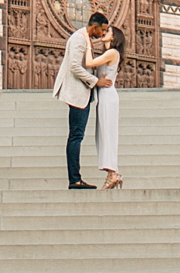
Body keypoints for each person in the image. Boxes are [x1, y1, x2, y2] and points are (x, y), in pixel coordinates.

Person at [52, 11, 109, 189]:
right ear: (94, 27)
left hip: (83, 94)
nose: (103, 34)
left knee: (77, 135)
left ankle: (75, 178)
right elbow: (75, 66)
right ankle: (74, 179)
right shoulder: (79, 38)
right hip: (78, 94)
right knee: (76, 136)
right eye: (103, 30)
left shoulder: (84, 38)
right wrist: (95, 81)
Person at [87, 24, 125, 190]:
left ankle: (113, 173)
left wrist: (86, 41)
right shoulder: (109, 53)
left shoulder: (112, 52)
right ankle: (112, 173)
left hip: (108, 96)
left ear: (113, 37)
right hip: (103, 95)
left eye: (107, 31)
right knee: (104, 134)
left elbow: (89, 62)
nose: (104, 33)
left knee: (108, 134)